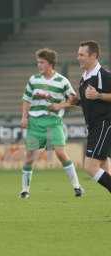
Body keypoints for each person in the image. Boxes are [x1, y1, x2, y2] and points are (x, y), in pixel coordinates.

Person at [20, 48, 83, 199]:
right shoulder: (33, 79)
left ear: (50, 64)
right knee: (29, 157)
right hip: (35, 122)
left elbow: (73, 100)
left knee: (61, 153)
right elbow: (26, 99)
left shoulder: (62, 81)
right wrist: (24, 117)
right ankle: (24, 190)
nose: (39, 65)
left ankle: (77, 187)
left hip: (53, 122)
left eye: (42, 62)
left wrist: (59, 106)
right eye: (38, 62)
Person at [53, 41, 111, 193]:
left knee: (90, 167)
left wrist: (99, 94)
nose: (78, 57)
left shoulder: (104, 75)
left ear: (93, 56)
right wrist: (77, 102)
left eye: (81, 55)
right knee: (105, 168)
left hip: (104, 125)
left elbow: (98, 98)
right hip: (94, 127)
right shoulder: (84, 78)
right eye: (78, 54)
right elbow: (91, 103)